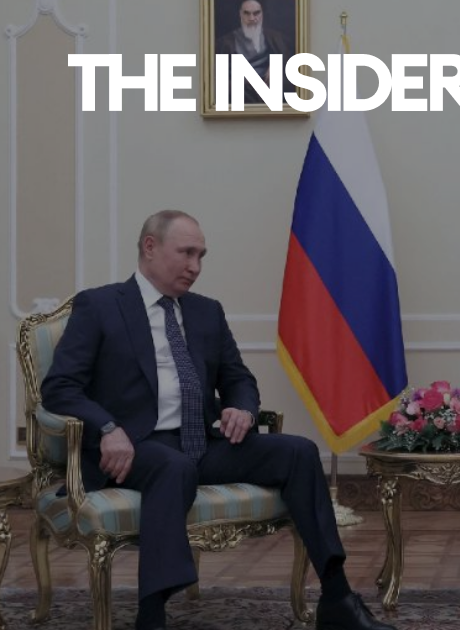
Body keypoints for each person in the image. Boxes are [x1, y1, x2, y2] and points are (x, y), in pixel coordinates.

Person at [42, 210, 394, 630]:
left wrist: (241, 408)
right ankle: (151, 616)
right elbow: (59, 387)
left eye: (201, 256)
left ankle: (337, 599)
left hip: (200, 443)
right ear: (150, 247)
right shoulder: (100, 306)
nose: (195, 266)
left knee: (299, 452)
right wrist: (108, 428)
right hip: (134, 448)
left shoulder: (207, 312)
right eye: (186, 253)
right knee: (173, 467)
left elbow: (238, 378)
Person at [215, 0, 294, 104]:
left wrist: (277, 66)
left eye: (256, 13)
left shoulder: (277, 39)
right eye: (246, 13)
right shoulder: (224, 43)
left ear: (262, 14)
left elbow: (291, 66)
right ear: (240, 14)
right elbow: (218, 79)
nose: (251, 18)